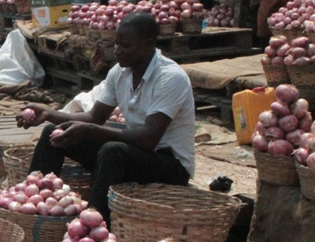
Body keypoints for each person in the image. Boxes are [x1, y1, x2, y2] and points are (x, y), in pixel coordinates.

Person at [17, 12, 195, 225]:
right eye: (116, 44)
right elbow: (95, 116)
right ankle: (33, 203)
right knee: (51, 133)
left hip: (170, 164)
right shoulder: (120, 73)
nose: (117, 51)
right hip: (137, 154)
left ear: (148, 45)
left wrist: (90, 131)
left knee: (112, 151)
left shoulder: (170, 78)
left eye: (126, 46)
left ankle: (92, 228)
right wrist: (47, 114)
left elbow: (149, 139)